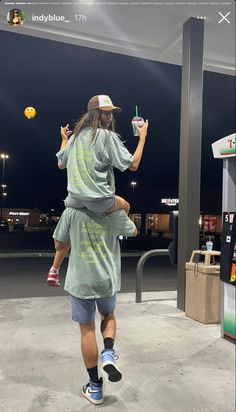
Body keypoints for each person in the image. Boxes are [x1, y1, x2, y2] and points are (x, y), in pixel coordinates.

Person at [47, 95, 148, 286]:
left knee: (62, 241)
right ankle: (118, 228)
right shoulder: (107, 137)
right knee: (125, 204)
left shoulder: (75, 137)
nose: (109, 116)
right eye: (105, 112)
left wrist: (64, 139)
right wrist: (142, 138)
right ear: (96, 114)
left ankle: (54, 269)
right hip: (100, 202)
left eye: (110, 112)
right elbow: (133, 165)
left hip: (74, 201)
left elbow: (61, 163)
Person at [53, 206, 137, 405]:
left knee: (87, 330)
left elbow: (58, 243)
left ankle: (95, 388)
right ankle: (108, 352)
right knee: (108, 315)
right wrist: (122, 206)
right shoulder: (113, 211)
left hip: (81, 280)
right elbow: (133, 231)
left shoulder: (71, 212)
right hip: (106, 279)